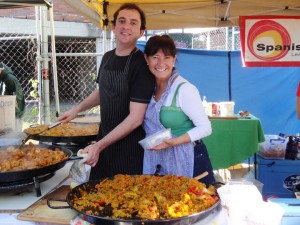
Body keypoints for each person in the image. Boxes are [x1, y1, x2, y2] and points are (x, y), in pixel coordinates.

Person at [57, 3, 155, 179]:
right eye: (122, 21)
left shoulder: (141, 65)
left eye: (133, 23)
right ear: (114, 26)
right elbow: (104, 91)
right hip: (104, 141)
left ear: (141, 31)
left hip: (129, 150)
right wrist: (76, 110)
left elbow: (135, 119)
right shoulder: (108, 57)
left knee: (124, 201)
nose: (126, 26)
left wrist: (99, 146)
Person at [142, 35, 215, 184]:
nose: (161, 63)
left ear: (174, 60)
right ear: (146, 59)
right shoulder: (147, 87)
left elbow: (206, 128)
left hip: (188, 157)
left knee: (189, 203)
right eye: (155, 57)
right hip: (158, 159)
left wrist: (175, 141)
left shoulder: (184, 89)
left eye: (167, 58)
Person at [0, 62, 25, 130]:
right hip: (5, 112)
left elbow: (17, 98)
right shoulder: (2, 78)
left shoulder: (9, 79)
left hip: (14, 114)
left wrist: (15, 113)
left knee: (14, 135)